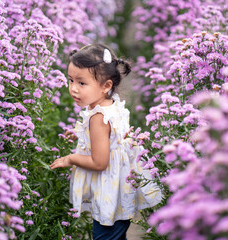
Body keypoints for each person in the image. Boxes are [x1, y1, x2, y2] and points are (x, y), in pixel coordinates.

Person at [50, 43, 162, 240]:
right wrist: (81, 134)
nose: (73, 89)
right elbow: (112, 138)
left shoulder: (97, 118)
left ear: (106, 86)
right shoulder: (112, 104)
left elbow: (100, 162)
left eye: (81, 83)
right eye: (71, 81)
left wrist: (71, 159)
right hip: (120, 190)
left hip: (110, 196)